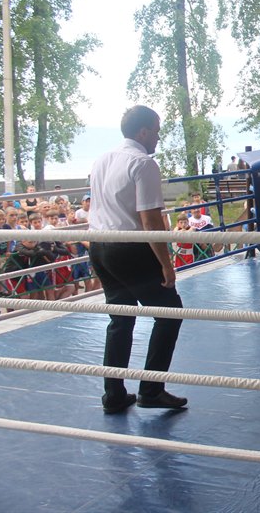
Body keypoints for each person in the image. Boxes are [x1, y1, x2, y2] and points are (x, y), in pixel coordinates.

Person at [88, 105, 187, 414]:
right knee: (169, 313)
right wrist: (167, 265)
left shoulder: (102, 159)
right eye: (156, 131)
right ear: (143, 132)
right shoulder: (143, 163)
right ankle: (151, 390)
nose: (158, 137)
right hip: (129, 248)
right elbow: (150, 220)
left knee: (120, 318)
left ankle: (113, 394)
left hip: (100, 246)